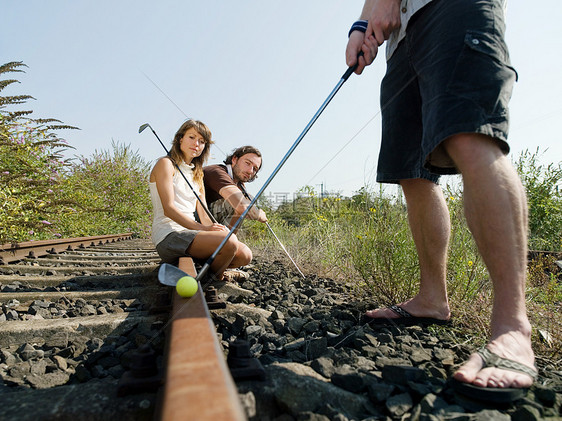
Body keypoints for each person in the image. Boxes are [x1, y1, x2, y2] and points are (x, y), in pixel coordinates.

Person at [346, 0, 536, 397]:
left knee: (472, 135)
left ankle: (512, 327)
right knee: (412, 172)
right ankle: (432, 299)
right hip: (400, 42)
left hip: (453, 8)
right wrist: (360, 26)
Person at [149, 119, 252, 281]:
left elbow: (203, 213)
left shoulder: (197, 173)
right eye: (192, 137)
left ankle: (205, 271)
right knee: (229, 243)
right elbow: (169, 208)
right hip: (169, 234)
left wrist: (214, 229)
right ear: (180, 138)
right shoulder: (165, 164)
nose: (196, 144)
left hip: (192, 234)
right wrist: (204, 230)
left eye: (202, 141)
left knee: (245, 255)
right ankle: (216, 277)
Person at [203, 146, 268, 228]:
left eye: (255, 169)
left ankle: (222, 239)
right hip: (191, 218)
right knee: (237, 201)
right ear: (234, 159)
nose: (250, 171)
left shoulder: (240, 187)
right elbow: (242, 206)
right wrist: (258, 214)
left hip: (212, 226)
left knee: (244, 201)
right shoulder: (217, 172)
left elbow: (233, 227)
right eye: (247, 163)